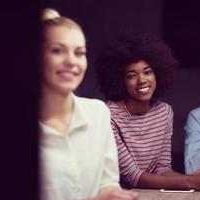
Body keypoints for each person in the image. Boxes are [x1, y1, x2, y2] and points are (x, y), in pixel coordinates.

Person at [95, 31, 200, 192]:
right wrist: (193, 181)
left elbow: (161, 168)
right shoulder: (109, 115)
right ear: (120, 81)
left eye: (147, 72)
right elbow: (132, 177)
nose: (142, 80)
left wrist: (196, 179)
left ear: (157, 74)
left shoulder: (164, 112)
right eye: (132, 76)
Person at [39, 8, 138, 200]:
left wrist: (112, 195)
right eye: (57, 50)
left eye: (79, 53)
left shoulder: (98, 112)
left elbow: (107, 182)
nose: (71, 61)